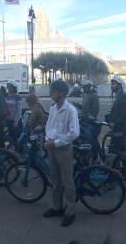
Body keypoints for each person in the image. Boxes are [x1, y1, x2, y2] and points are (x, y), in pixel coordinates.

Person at [42, 80, 80, 227]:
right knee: (55, 180)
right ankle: (57, 207)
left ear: (62, 93)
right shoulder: (53, 108)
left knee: (68, 182)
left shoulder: (70, 110)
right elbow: (48, 127)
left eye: (53, 91)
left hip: (63, 149)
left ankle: (70, 212)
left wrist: (56, 142)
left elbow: (74, 133)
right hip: (51, 147)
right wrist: (48, 139)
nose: (50, 93)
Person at [106, 76, 126, 153]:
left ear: (119, 85)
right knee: (117, 149)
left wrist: (115, 123)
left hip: (121, 127)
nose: (111, 86)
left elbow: (125, 114)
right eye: (111, 84)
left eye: (113, 84)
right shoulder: (118, 95)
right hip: (116, 127)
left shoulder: (123, 96)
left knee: (116, 150)